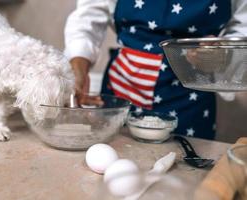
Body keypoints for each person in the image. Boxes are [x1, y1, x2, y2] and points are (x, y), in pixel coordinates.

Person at [64, 0, 247, 140]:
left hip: (190, 99)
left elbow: (243, 25)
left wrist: (225, 51)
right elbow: (91, 11)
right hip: (122, 87)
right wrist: (78, 67)